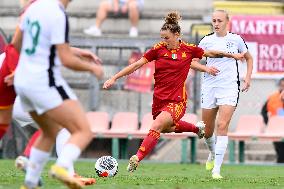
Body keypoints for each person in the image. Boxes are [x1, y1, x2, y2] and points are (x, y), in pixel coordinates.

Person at [103, 11, 245, 173]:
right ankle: (196, 129)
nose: (164, 41)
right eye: (162, 38)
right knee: (165, 128)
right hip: (159, 99)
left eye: (167, 38)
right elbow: (136, 65)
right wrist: (114, 78)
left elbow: (211, 53)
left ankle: (136, 158)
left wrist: (231, 55)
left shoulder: (188, 50)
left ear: (177, 35)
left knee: (156, 124)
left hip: (177, 101)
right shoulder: (158, 49)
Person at [13, 0, 103, 188]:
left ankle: (30, 182)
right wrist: (91, 69)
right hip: (43, 82)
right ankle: (62, 168)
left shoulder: (33, 7)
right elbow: (66, 60)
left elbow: (17, 42)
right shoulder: (57, 13)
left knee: (49, 131)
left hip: (22, 81)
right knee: (83, 130)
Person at [198, 10, 253, 179]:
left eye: (219, 20)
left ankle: (217, 171)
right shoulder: (206, 40)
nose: (216, 23)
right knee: (207, 131)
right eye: (214, 20)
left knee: (222, 126)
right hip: (209, 87)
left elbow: (249, 58)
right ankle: (213, 153)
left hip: (229, 87)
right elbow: (192, 62)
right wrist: (206, 68)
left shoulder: (236, 39)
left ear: (227, 21)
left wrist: (247, 78)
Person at [13, 97, 96, 186]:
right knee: (65, 128)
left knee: (51, 130)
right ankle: (67, 171)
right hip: (28, 103)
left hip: (18, 104)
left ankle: (31, 176)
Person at [261, 77, 284, 163]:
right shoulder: (272, 97)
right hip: (276, 129)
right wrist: (269, 124)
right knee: (279, 150)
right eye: (281, 85)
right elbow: (263, 112)